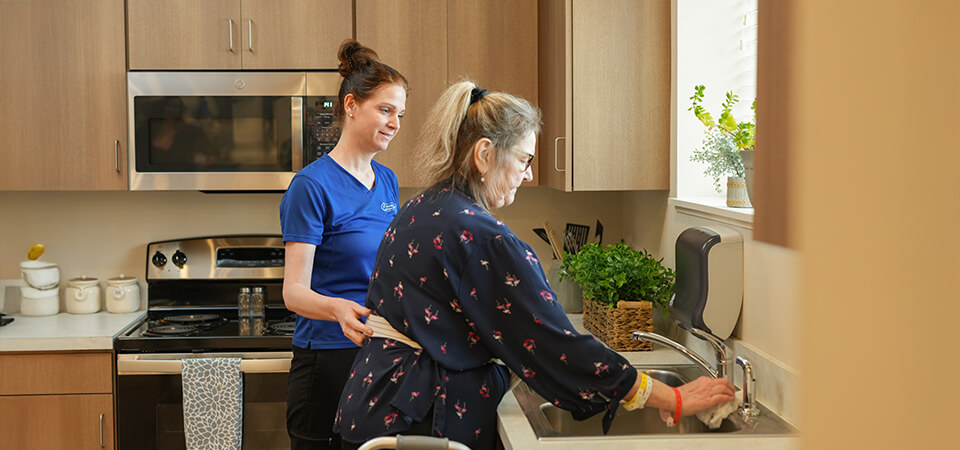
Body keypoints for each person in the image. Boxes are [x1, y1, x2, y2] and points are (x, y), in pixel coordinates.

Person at [333, 81, 736, 449]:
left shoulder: (422, 206)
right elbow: (554, 343)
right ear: (485, 154)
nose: (527, 175)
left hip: (376, 405)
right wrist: (671, 396)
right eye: (524, 160)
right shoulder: (483, 236)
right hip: (421, 418)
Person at [279, 39, 407, 450]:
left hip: (379, 351)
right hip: (326, 358)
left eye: (400, 114)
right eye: (385, 110)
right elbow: (293, 292)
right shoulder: (311, 186)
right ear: (351, 105)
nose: (395, 123)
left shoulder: (387, 181)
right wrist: (337, 309)